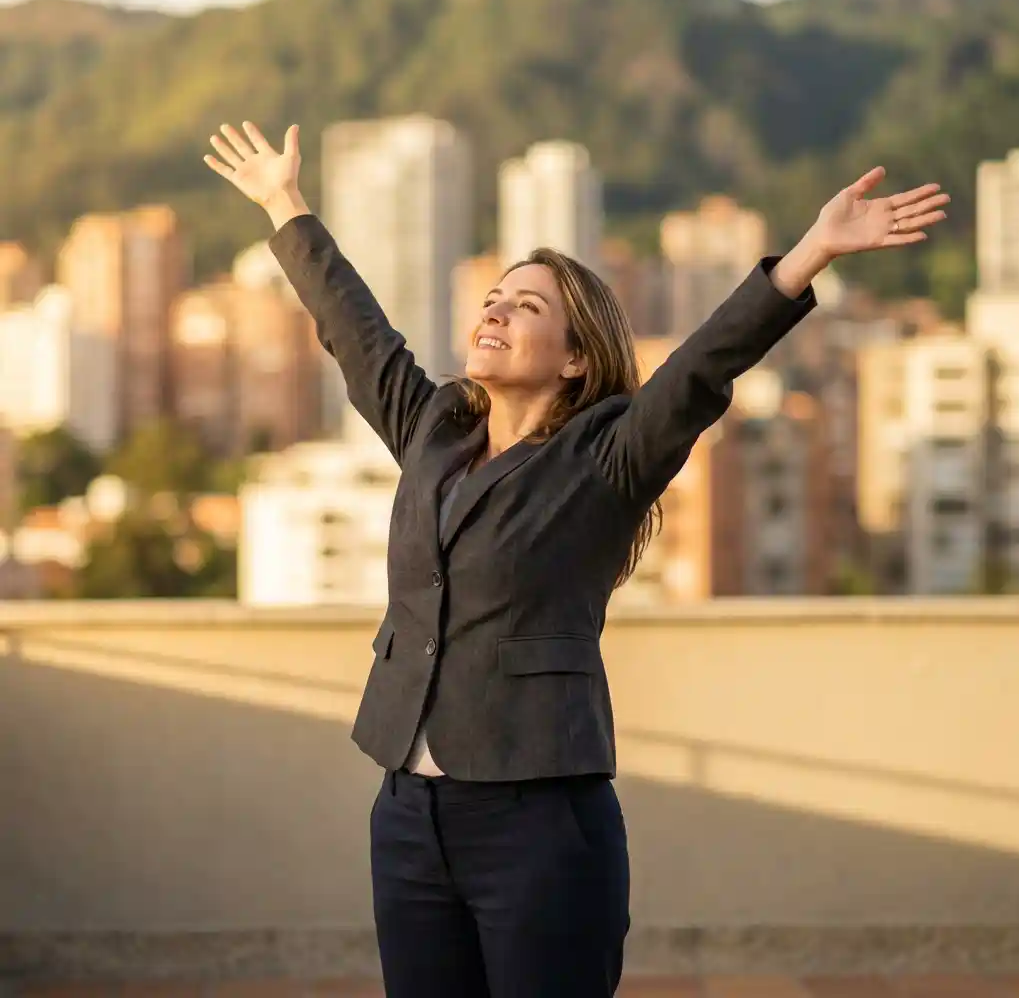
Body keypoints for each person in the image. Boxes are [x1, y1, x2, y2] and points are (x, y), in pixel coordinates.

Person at [204, 121, 949, 998]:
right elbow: (356, 333)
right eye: (494, 296)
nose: (495, 311)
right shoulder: (434, 430)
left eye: (527, 307)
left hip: (539, 825)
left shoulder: (608, 461)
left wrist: (811, 252)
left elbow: (704, 368)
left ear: (575, 359)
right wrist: (284, 203)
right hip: (408, 814)